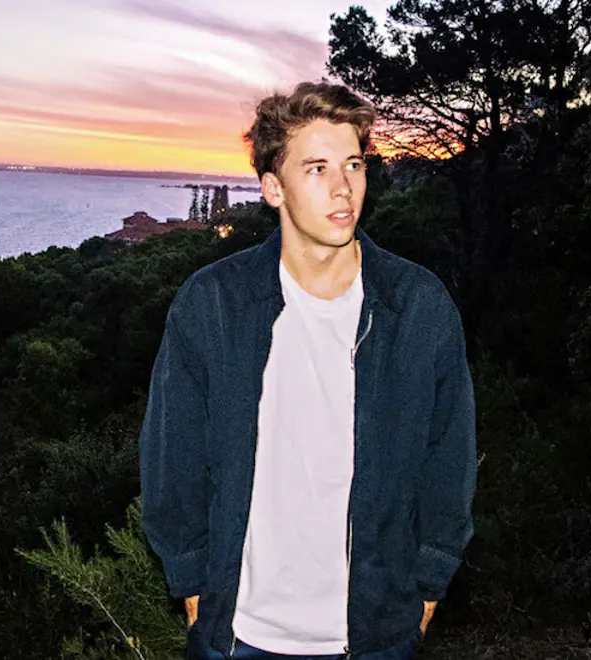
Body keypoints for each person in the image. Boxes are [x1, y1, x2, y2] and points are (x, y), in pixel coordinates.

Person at [139, 81, 477, 660]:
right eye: (317, 168)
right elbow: (173, 459)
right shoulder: (213, 304)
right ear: (273, 188)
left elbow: (450, 457)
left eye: (354, 164)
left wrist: (426, 590)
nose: (343, 187)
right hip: (241, 635)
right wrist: (193, 584)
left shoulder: (417, 306)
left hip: (377, 636)